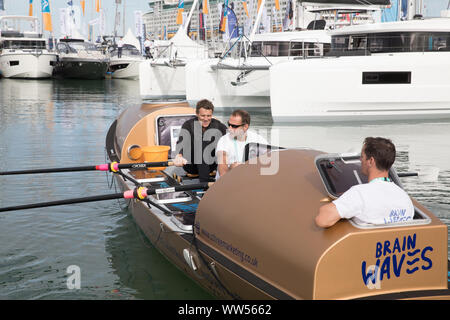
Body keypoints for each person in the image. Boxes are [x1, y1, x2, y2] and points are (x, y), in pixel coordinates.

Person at [315, 137, 414, 228]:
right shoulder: (404, 196)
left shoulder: (359, 193)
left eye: (362, 156)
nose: (360, 160)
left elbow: (322, 220)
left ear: (370, 161)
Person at [173, 99, 227, 182]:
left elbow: (230, 138)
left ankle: (227, 181)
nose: (206, 119)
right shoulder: (188, 125)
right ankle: (205, 185)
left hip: (211, 165)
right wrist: (179, 156)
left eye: (209, 116)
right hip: (191, 165)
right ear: (197, 114)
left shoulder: (218, 125)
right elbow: (181, 142)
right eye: (203, 116)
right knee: (201, 145)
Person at [215, 109, 268, 179]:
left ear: (245, 127)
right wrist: (231, 169)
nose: (229, 128)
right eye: (229, 124)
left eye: (234, 126)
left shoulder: (258, 139)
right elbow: (222, 173)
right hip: (226, 182)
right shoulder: (223, 141)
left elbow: (271, 156)